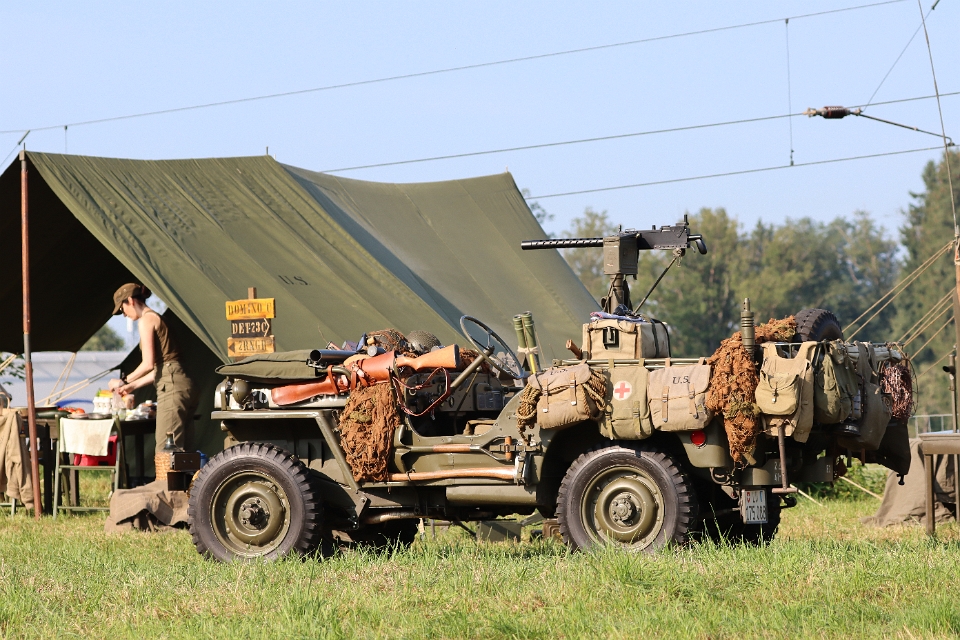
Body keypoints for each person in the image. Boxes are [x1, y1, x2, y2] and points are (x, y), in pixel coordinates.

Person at [107, 284, 199, 452]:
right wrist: (132, 386)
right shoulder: (159, 318)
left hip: (172, 387)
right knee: (184, 452)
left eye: (122, 309)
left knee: (166, 451)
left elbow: (148, 364)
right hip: (184, 384)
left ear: (130, 301)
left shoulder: (146, 320)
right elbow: (163, 367)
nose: (124, 314)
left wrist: (122, 381)